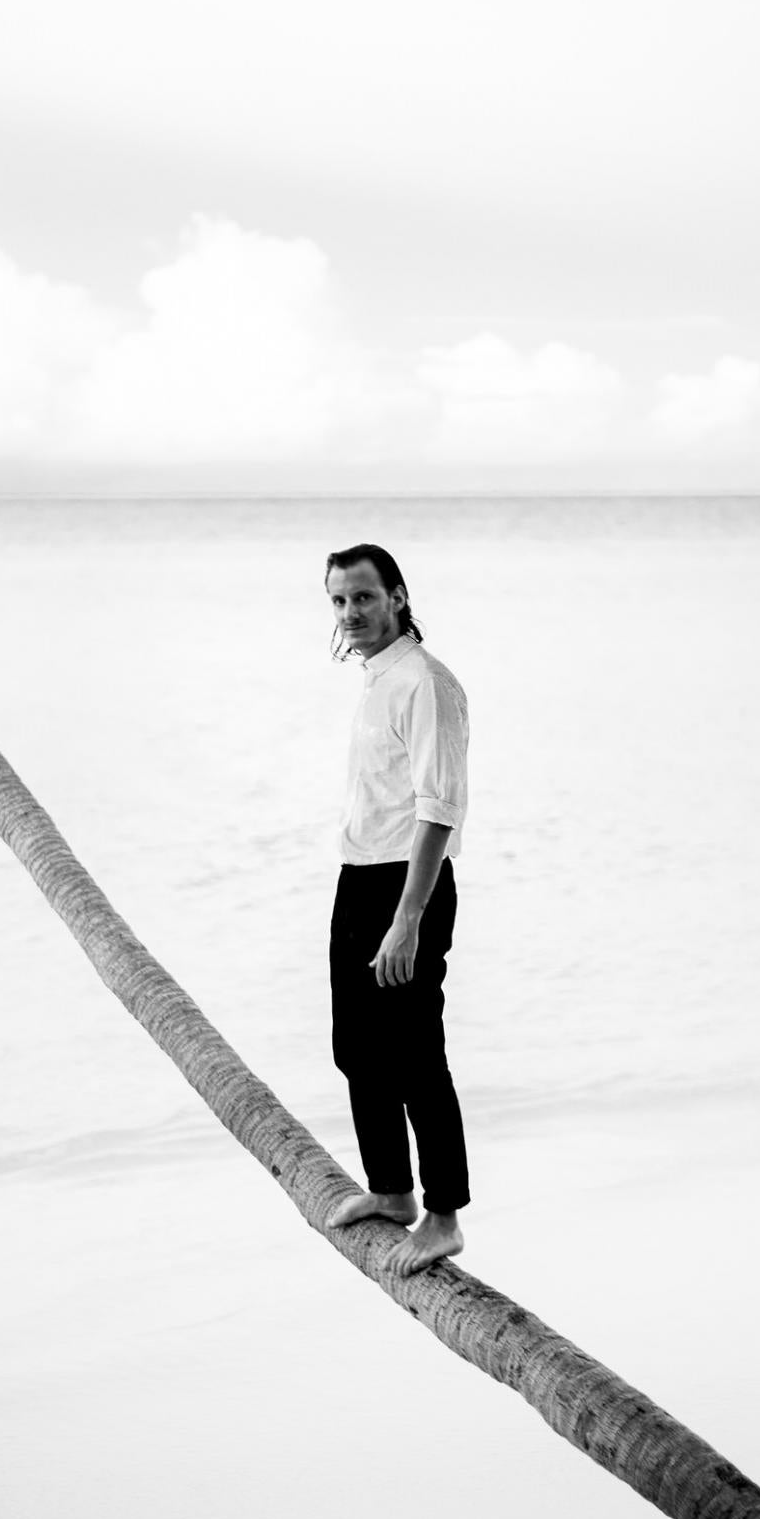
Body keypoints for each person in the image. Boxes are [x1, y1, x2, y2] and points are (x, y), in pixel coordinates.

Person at [324, 544, 470, 1276]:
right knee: (355, 1047)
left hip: (405, 886)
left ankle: (442, 1215)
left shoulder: (424, 683)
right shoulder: (376, 679)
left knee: (414, 1055)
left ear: (398, 597)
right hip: (357, 878)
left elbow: (438, 808)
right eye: (340, 601)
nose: (351, 614)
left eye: (363, 598)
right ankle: (390, 1191)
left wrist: (407, 919)